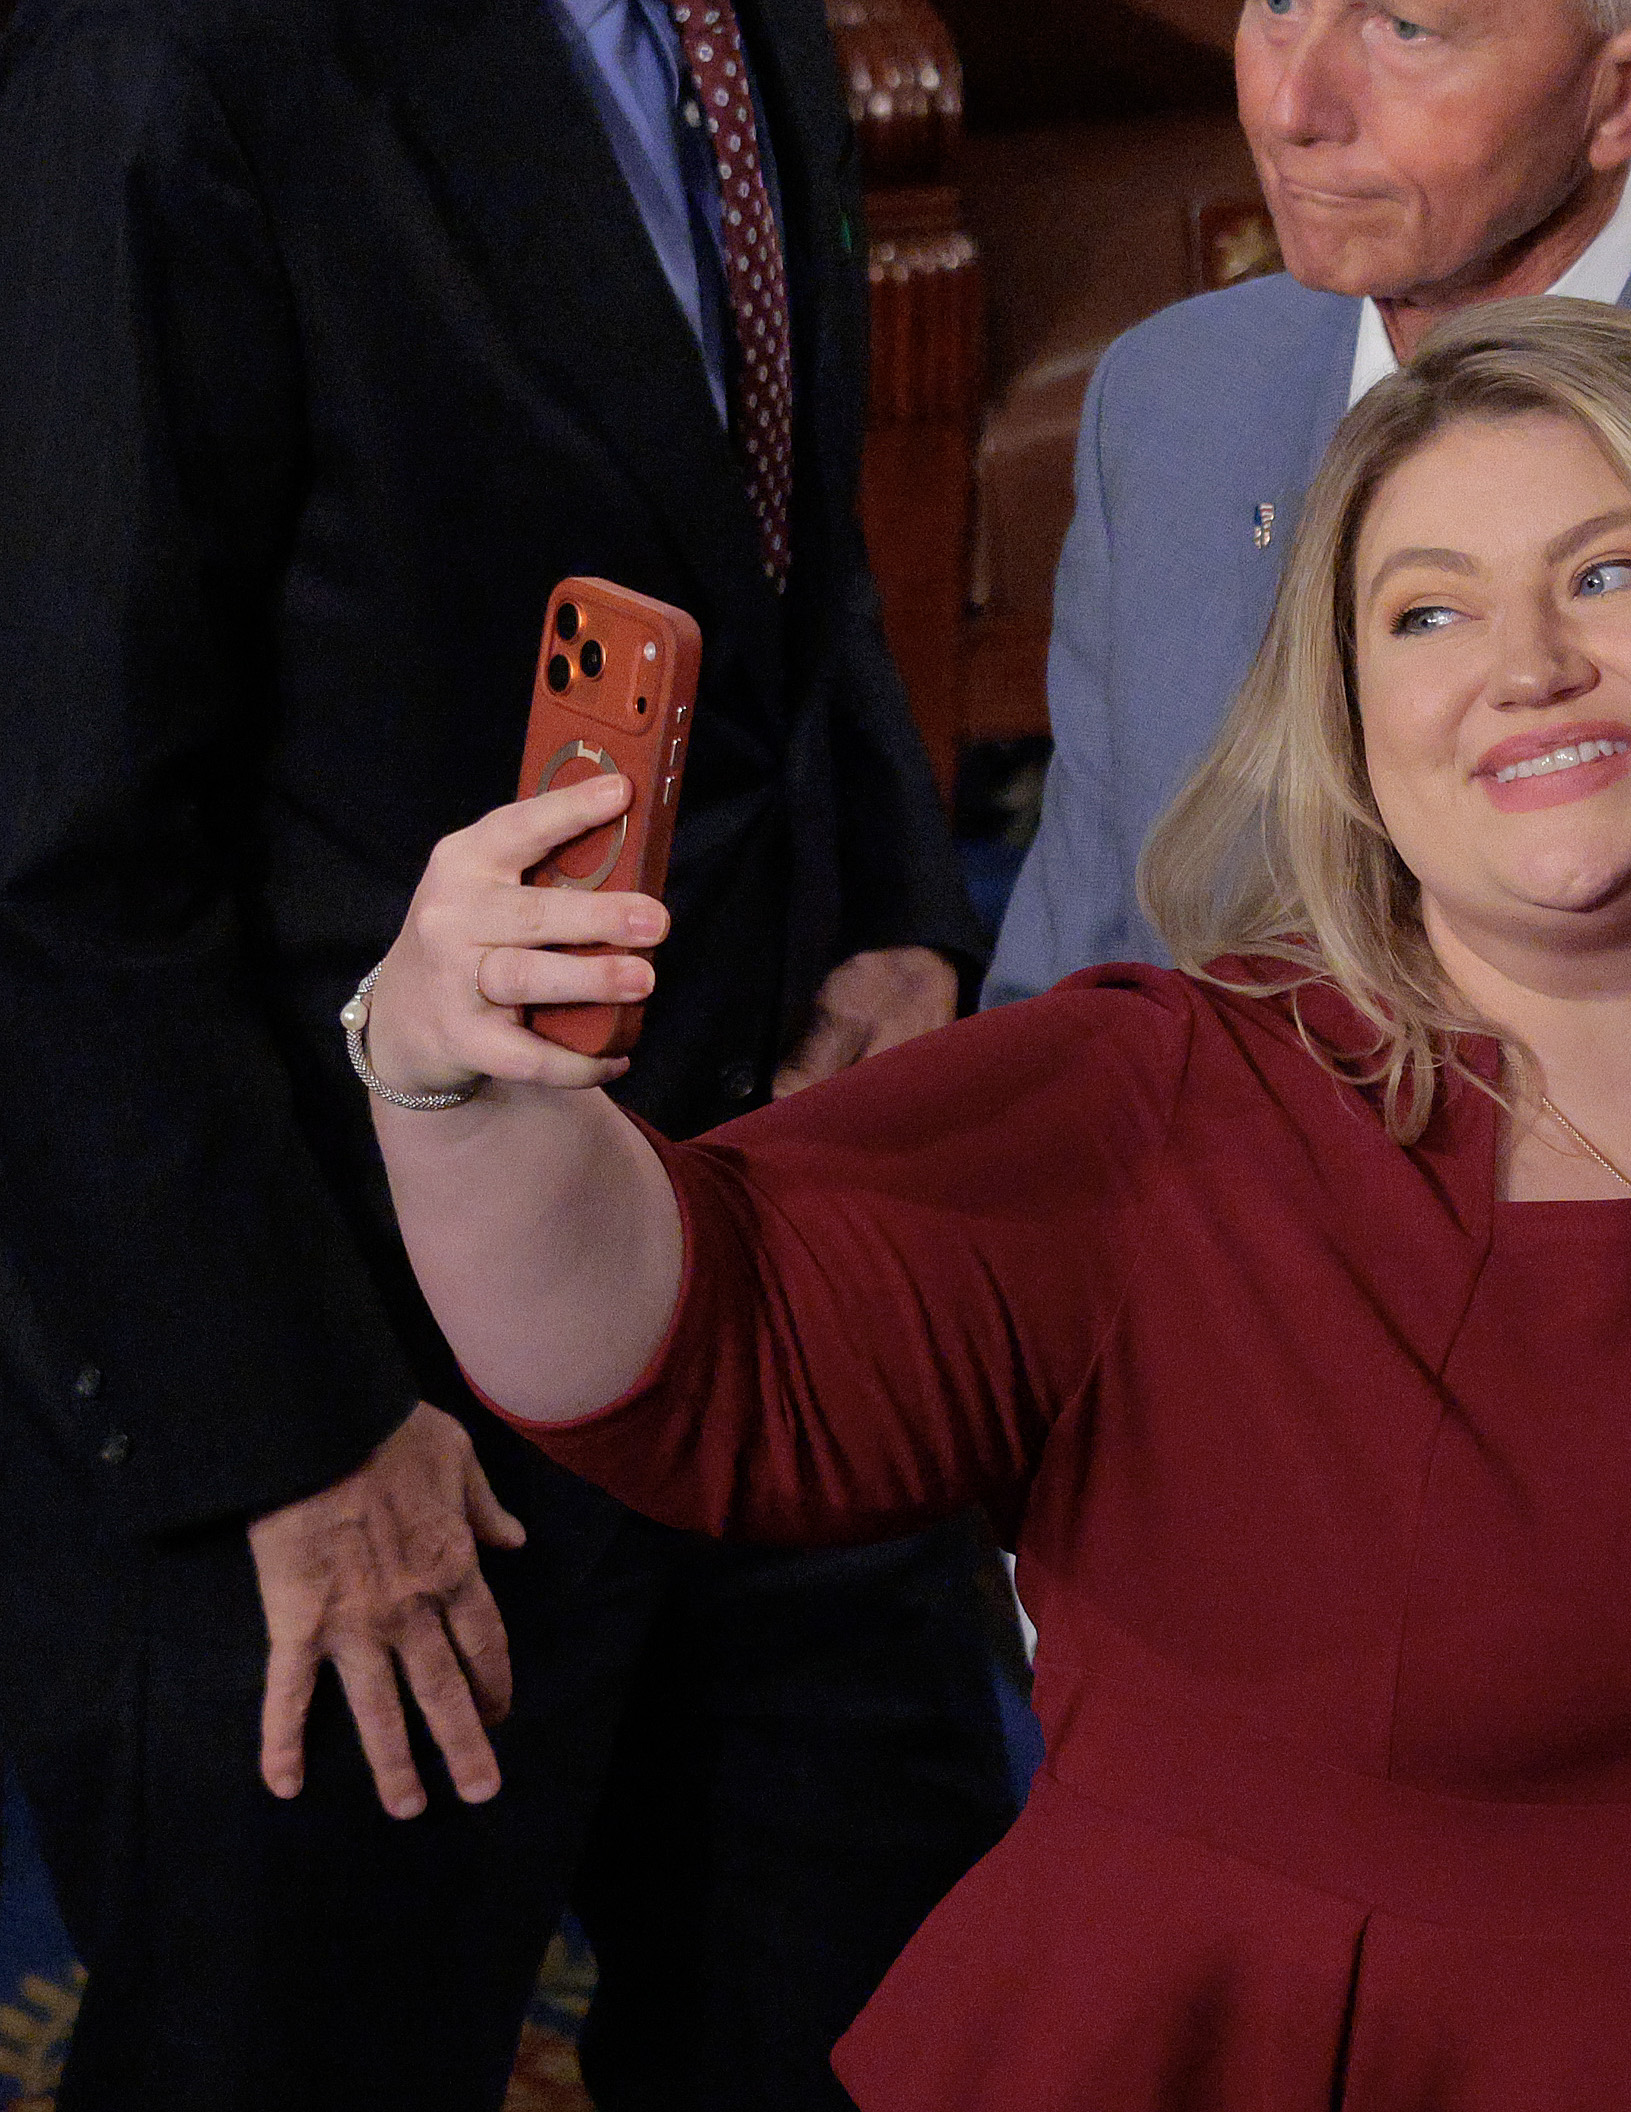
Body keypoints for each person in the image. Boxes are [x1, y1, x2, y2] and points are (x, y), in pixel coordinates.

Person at [353, 301, 1631, 2111]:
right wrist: (454, 1080)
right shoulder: (1162, 1106)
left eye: (1612, 574)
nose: (1525, 666)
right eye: (1424, 613)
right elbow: (667, 1343)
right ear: (1347, 725)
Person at [0, 0, 1017, 2099]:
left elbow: (775, 553)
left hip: (760, 1264)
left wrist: (901, 911)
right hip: (346, 1375)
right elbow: (52, 848)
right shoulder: (163, 58)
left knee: (881, 2035)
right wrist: (294, 1435)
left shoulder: (745, 25)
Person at [980, 0, 1631, 1004]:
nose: (1291, 109)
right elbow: (1074, 976)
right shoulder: (1171, 395)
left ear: (1627, 91)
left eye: (1403, 29)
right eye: (1279, 4)